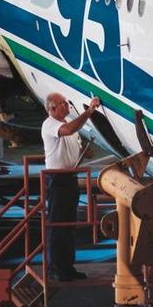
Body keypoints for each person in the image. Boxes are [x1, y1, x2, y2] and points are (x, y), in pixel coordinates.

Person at [41, 92, 100, 281]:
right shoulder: (50, 124)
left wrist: (85, 150)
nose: (66, 105)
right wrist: (89, 111)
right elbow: (68, 130)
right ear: (52, 108)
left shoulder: (68, 125)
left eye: (66, 102)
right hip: (57, 179)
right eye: (62, 103)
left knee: (68, 225)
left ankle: (66, 266)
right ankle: (56, 268)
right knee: (58, 225)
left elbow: (78, 145)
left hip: (69, 177)